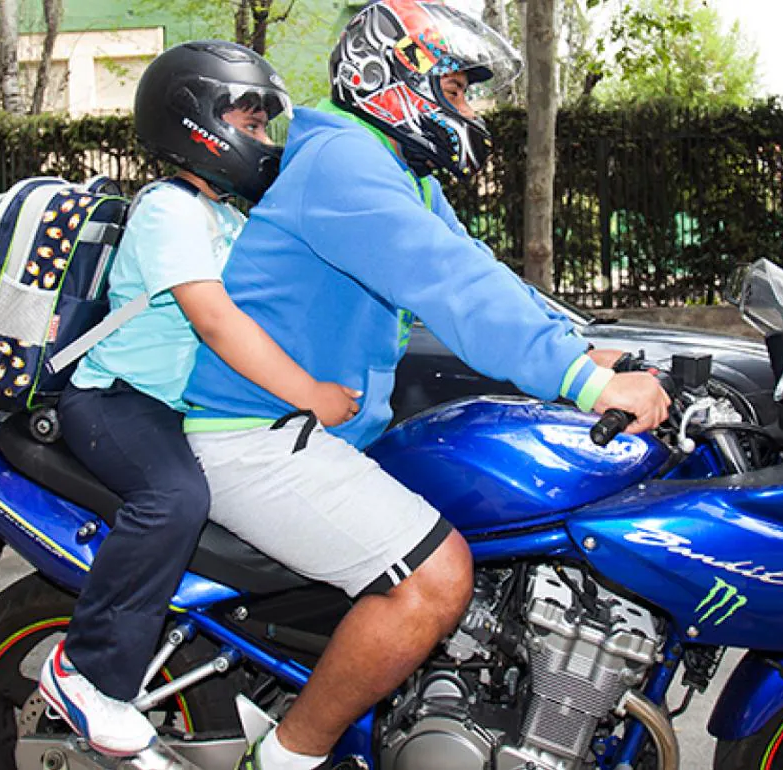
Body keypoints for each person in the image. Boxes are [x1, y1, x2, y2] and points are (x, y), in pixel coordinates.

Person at [181, 3, 670, 769]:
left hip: (323, 433)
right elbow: (448, 284)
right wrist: (579, 380)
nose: (469, 110)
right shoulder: (341, 165)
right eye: (460, 90)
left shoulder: (387, 165)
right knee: (435, 581)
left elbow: (474, 265)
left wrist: (579, 345)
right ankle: (283, 759)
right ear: (393, 79)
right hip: (256, 439)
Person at [36, 41, 361, 758]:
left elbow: (278, 306)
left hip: (177, 405)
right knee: (173, 498)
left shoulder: (228, 218)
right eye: (249, 122)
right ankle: (85, 670)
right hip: (119, 401)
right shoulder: (168, 209)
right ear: (198, 126)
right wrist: (309, 394)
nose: (263, 140)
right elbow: (216, 320)